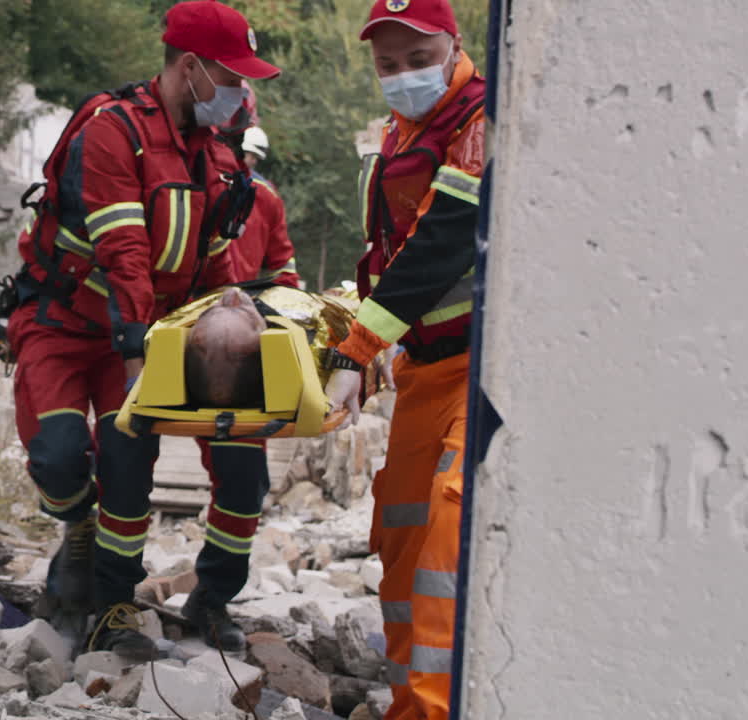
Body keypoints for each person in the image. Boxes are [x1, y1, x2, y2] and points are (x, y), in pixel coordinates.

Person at [7, 0, 281, 660]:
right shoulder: (112, 130)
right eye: (232, 77)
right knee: (60, 457)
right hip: (68, 322)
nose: (242, 93)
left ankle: (115, 608)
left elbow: (218, 265)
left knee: (156, 466)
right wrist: (137, 362)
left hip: (146, 333)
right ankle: (77, 528)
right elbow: (124, 248)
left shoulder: (215, 159)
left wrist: (251, 350)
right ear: (190, 69)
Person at [324, 0, 485, 718]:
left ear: (454, 46)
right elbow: (386, 252)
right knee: (402, 529)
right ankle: (406, 704)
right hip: (424, 368)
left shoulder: (479, 119)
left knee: (447, 542)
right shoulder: (405, 130)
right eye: (388, 64)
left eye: (419, 58)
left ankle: (435, 710)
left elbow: (440, 244)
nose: (403, 74)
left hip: (483, 367)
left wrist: (357, 349)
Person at [229, 126, 301, 287]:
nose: (252, 161)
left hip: (233, 295)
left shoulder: (266, 196)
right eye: (250, 155)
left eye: (256, 157)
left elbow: (281, 260)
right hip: (231, 295)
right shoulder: (267, 194)